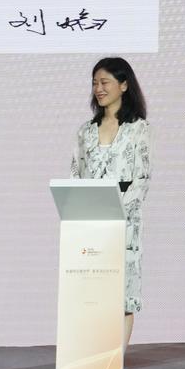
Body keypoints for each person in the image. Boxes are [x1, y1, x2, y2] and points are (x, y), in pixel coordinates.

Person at [72, 56, 151, 344]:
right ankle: (91, 361)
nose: (99, 89)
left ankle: (113, 367)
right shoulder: (86, 131)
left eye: (105, 82)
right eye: (95, 83)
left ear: (124, 85)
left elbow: (141, 179)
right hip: (90, 224)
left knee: (121, 297)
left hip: (123, 223)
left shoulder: (138, 129)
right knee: (92, 295)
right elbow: (77, 173)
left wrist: (115, 212)